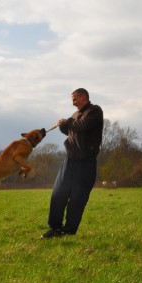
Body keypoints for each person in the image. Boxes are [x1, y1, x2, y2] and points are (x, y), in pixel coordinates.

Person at [42, 88, 103, 239]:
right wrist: (63, 126)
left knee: (77, 198)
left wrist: (68, 122)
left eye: (75, 99)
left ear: (83, 97)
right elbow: (72, 131)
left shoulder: (95, 111)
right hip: (70, 161)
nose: (73, 102)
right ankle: (55, 228)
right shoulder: (75, 115)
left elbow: (81, 126)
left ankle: (68, 231)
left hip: (86, 163)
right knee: (58, 194)